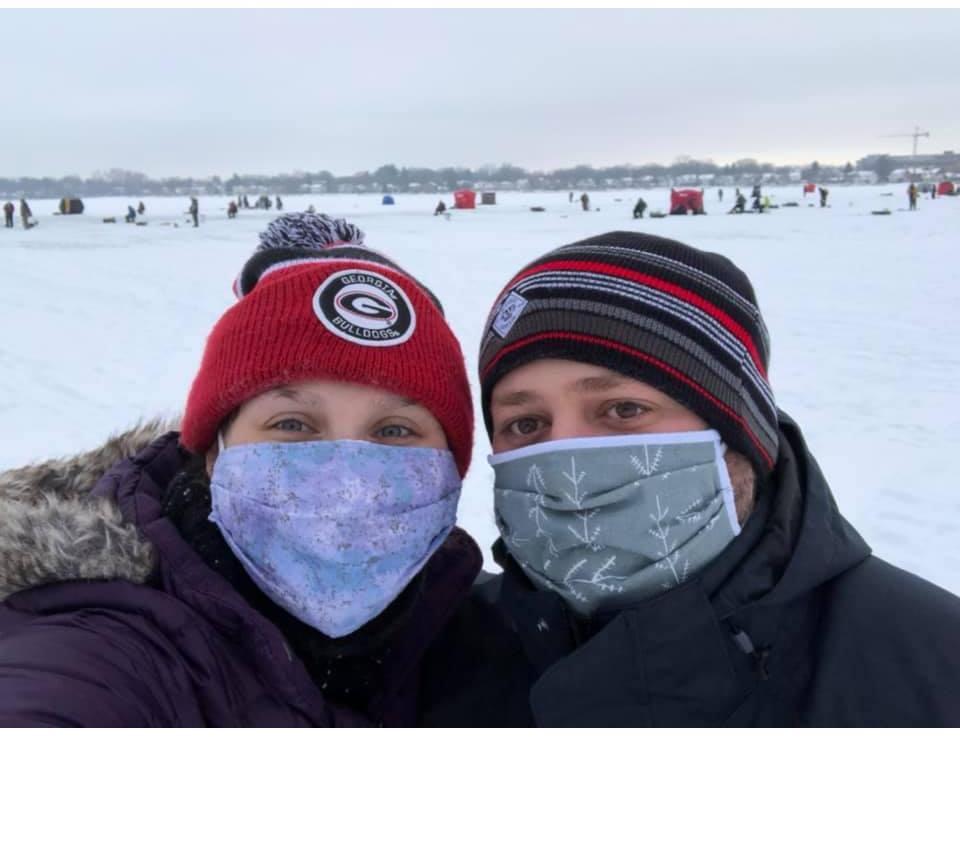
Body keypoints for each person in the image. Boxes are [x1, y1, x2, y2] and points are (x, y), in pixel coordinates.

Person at [0, 213, 481, 727]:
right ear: (213, 455)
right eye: (293, 424)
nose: (345, 480)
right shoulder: (102, 646)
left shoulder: (482, 636)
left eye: (394, 432)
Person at [465, 230, 960, 726]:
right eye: (525, 424)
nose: (564, 456)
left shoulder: (932, 665)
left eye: (624, 409)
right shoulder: (457, 647)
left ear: (740, 435)